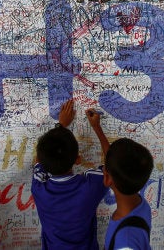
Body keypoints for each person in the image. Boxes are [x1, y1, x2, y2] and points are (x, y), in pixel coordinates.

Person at [31, 99, 110, 250]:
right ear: (78, 160)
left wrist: (61, 126)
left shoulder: (38, 188)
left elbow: (39, 158)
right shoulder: (90, 186)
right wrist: (97, 127)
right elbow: (111, 166)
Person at [103, 138, 154, 250]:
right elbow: (116, 167)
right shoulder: (141, 205)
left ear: (107, 178)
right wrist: (97, 128)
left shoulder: (125, 242)